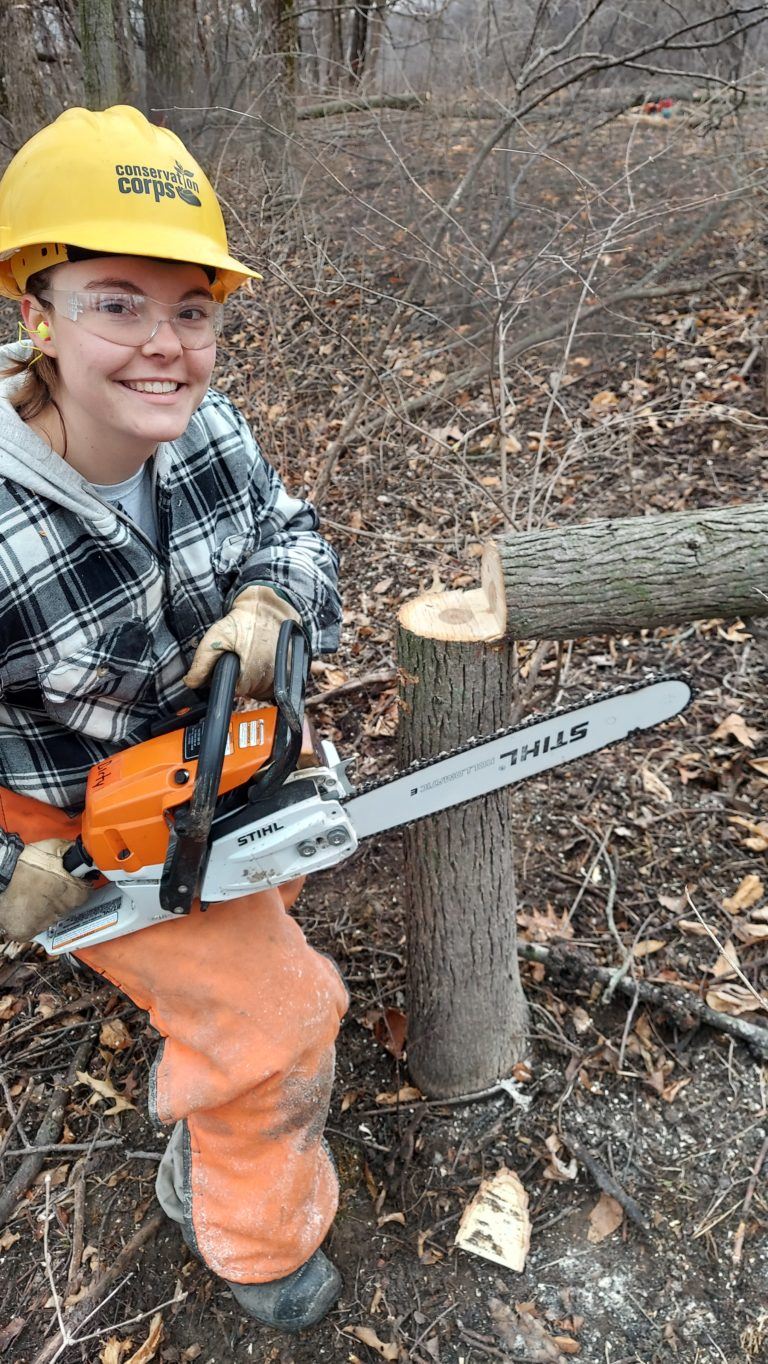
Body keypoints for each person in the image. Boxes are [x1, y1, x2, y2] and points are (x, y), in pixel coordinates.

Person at [0, 105, 348, 1332]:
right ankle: (249, 1228)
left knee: (272, 905)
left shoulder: (210, 432)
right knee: (285, 1012)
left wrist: (270, 600)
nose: (167, 347)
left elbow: (296, 534)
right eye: (118, 302)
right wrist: (12, 866)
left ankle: (207, 1023)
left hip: (212, 765)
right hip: (71, 824)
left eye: (191, 309)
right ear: (36, 312)